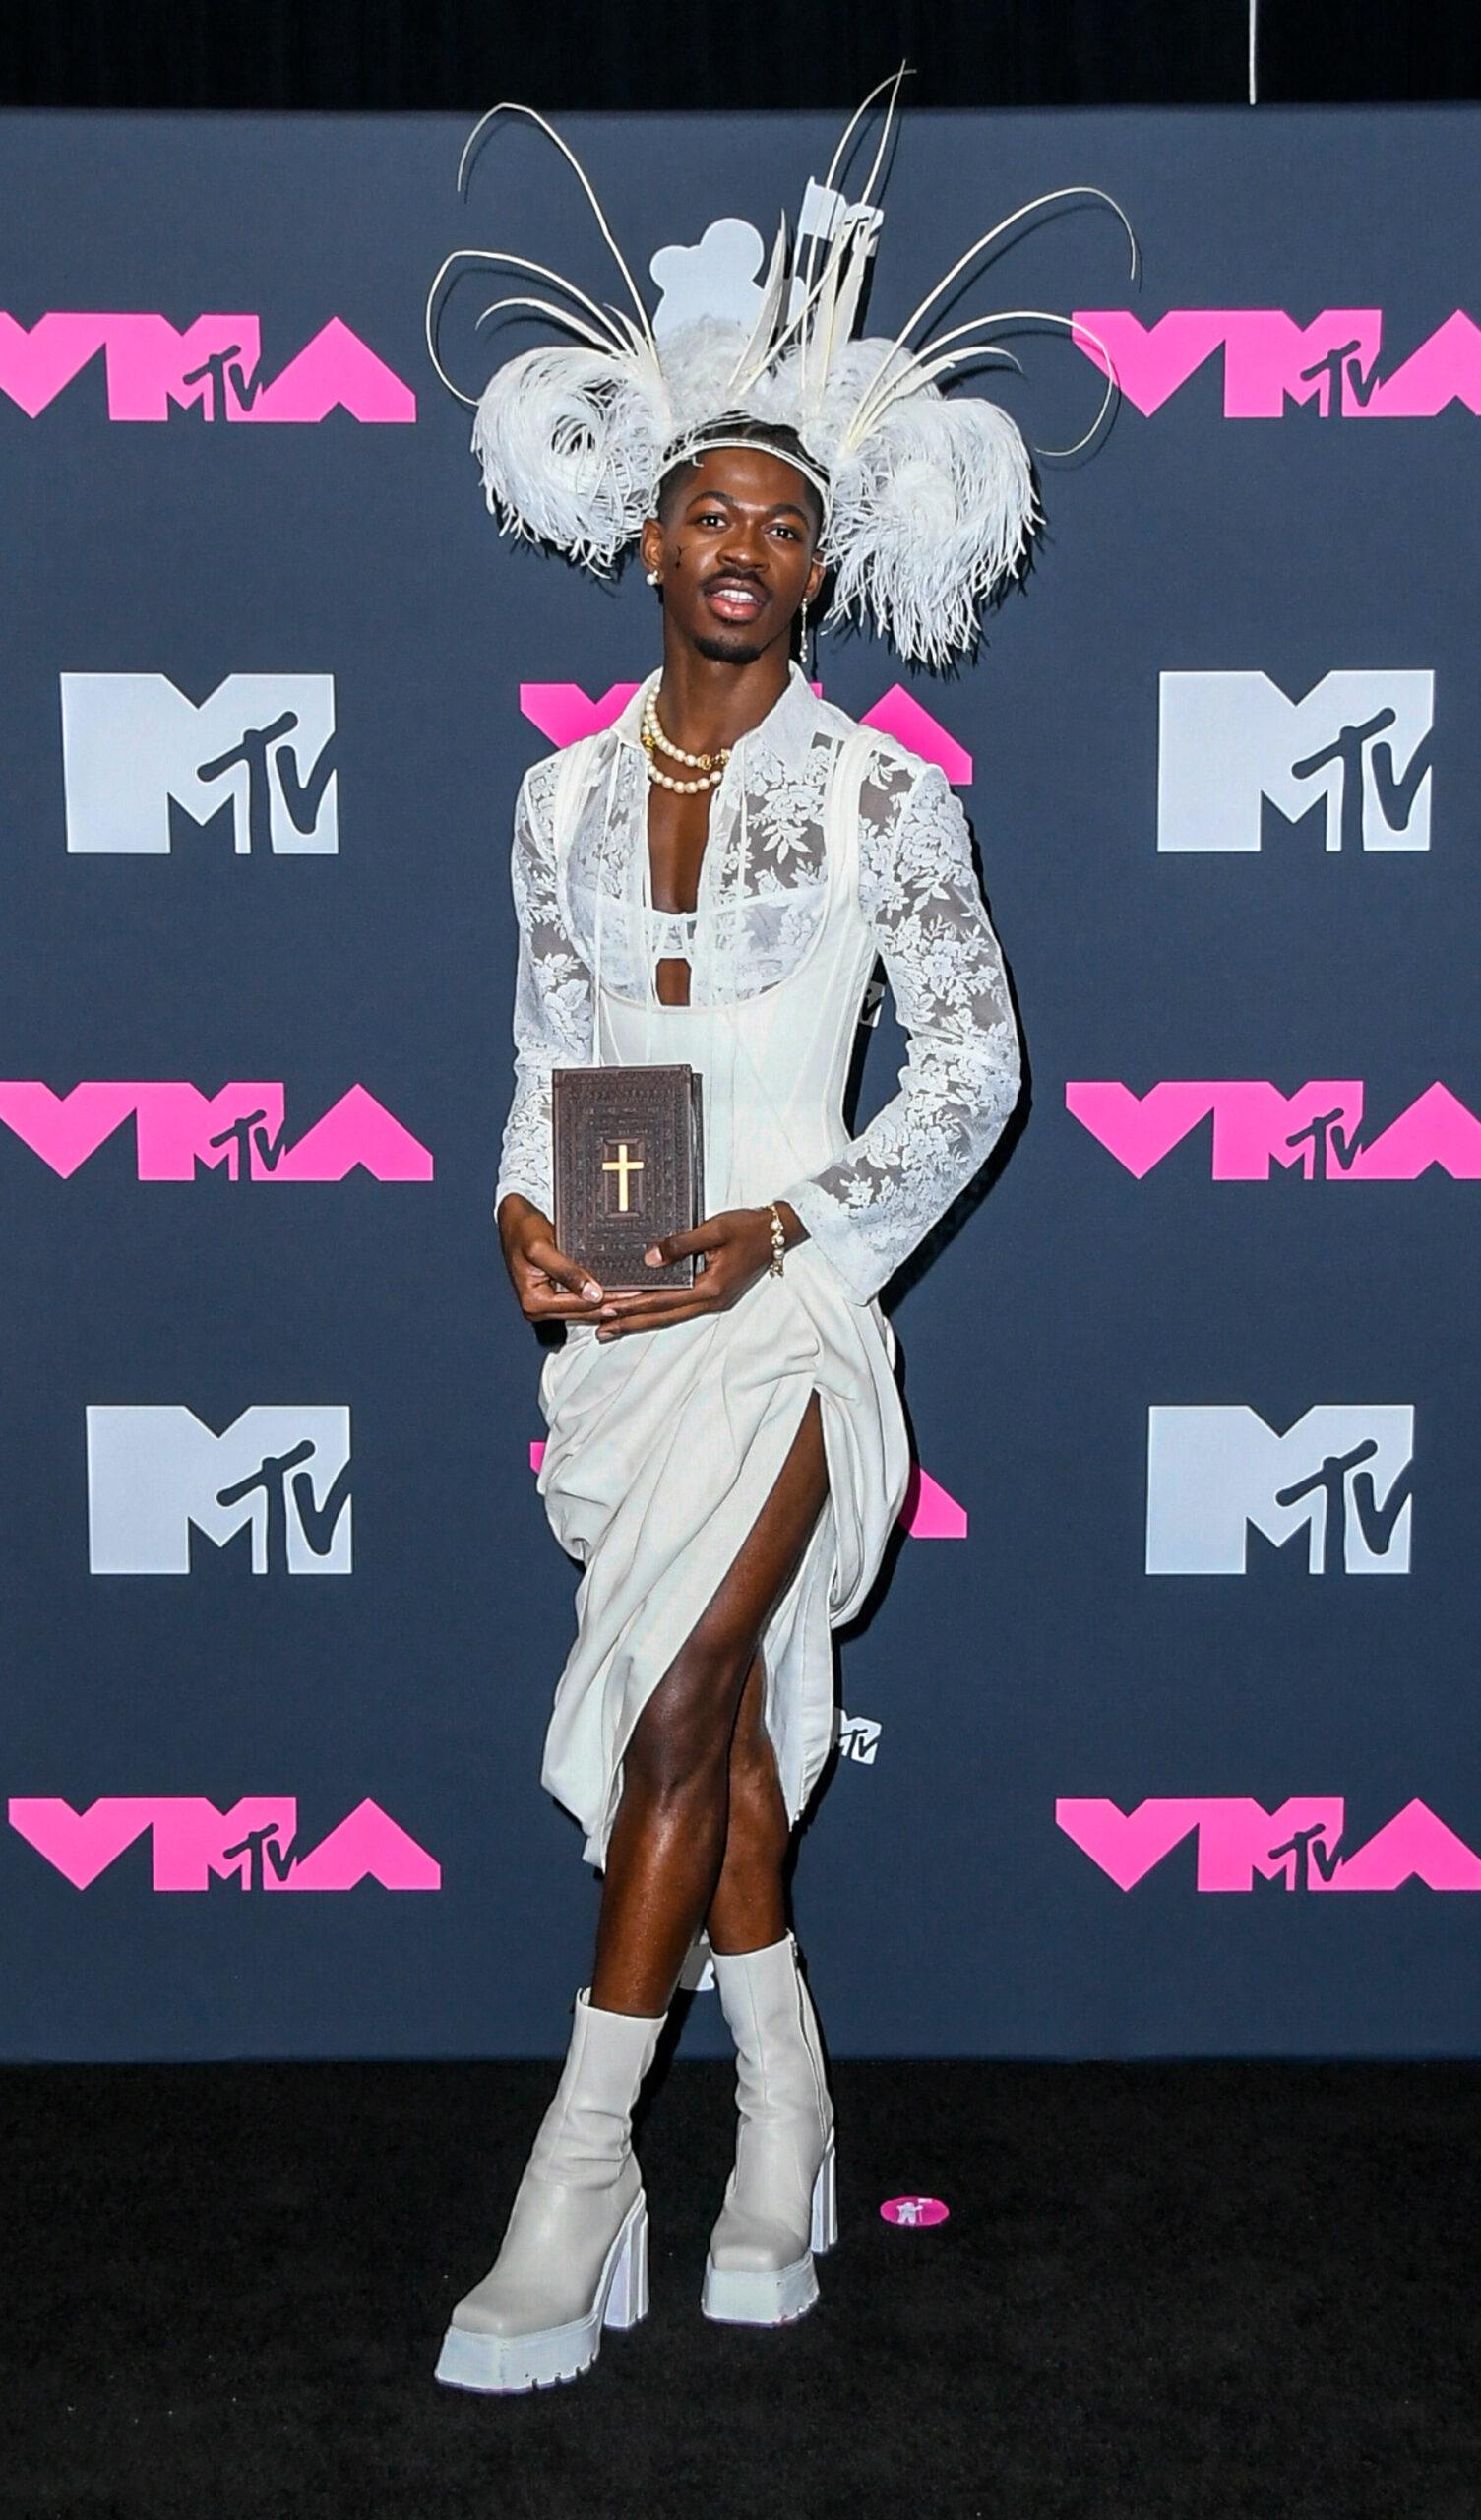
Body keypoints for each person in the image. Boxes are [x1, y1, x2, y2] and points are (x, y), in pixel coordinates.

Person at [424, 83, 1134, 2395]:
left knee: (679, 1696)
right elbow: (549, 1051)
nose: (744, 544)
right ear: (650, 541)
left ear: (819, 571)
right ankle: (793, 2107)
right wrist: (526, 1202)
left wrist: (784, 1226)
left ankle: (581, 2170)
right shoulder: (550, 795)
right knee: (708, 1747)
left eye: (783, 522)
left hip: (793, 1308)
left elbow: (973, 1075)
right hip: (615, 1324)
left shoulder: (878, 789)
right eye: (709, 508)